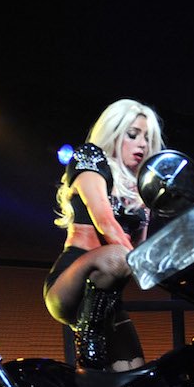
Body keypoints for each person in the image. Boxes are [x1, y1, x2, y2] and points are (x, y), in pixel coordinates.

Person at [43, 98, 164, 371]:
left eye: (147, 138)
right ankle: (88, 340)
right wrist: (140, 260)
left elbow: (140, 252)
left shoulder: (142, 189)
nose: (142, 144)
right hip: (71, 283)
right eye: (133, 135)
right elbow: (105, 221)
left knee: (133, 377)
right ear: (115, 132)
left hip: (109, 302)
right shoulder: (91, 161)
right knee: (117, 256)